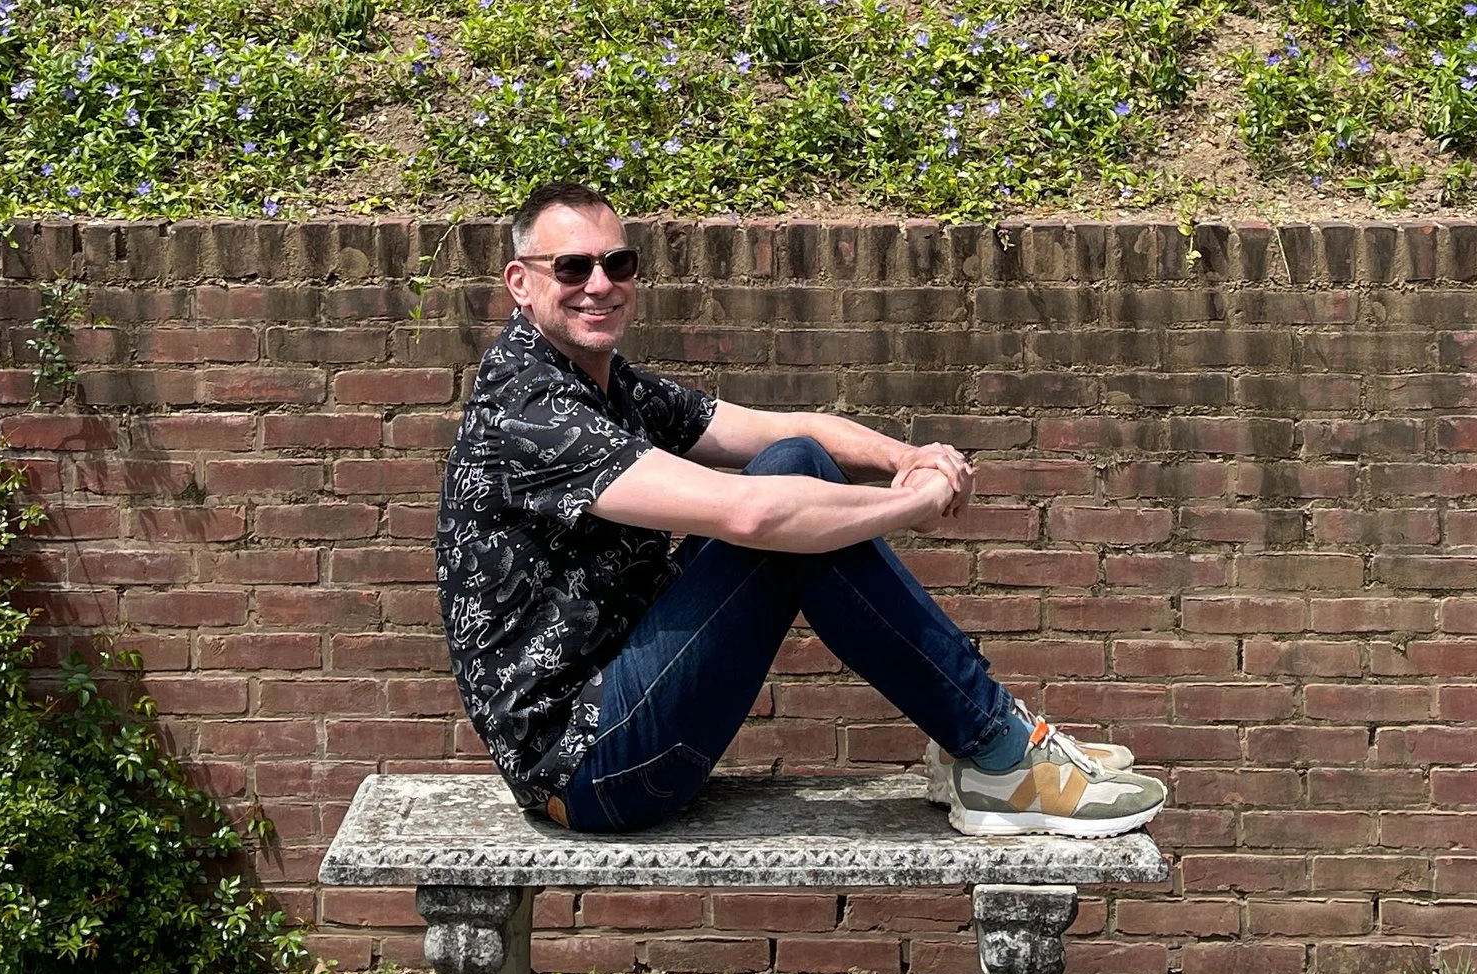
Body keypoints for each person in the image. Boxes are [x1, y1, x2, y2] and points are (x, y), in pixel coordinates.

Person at [435, 178, 1166, 839]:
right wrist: (907, 506)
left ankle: (982, 739)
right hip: (590, 768)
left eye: (617, 264)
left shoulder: (606, 383)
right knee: (782, 514)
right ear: (520, 284)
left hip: (622, 703)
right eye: (572, 267)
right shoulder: (529, 407)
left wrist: (903, 456)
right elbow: (750, 516)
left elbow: (789, 430)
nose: (600, 284)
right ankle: (998, 749)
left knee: (795, 465)